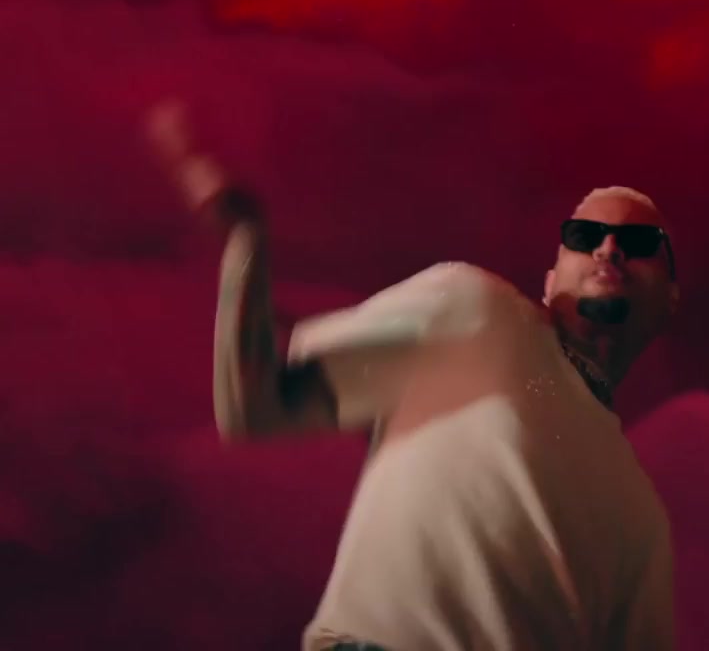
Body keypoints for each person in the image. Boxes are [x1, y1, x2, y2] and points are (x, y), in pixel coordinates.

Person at [146, 102, 680, 650]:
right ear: (550, 280)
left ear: (669, 300)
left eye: (638, 243)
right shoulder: (477, 308)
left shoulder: (641, 518)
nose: (608, 248)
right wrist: (247, 242)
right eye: (585, 234)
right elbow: (257, 403)